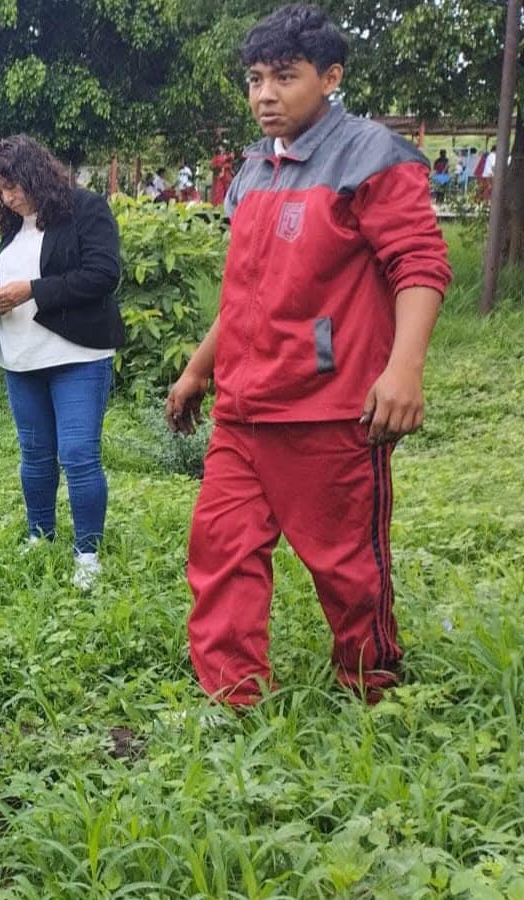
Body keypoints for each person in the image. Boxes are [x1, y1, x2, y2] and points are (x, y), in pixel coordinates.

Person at [165, 3, 451, 707]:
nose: (265, 94)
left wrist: (403, 368)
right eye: (255, 79)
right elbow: (247, 294)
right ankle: (232, 698)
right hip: (242, 408)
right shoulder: (255, 169)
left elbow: (419, 265)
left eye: (284, 78)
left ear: (330, 78)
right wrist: (201, 368)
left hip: (329, 412)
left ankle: (372, 686)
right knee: (221, 551)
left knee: (347, 567)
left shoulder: (373, 158)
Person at [0, 136, 125, 591]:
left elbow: (103, 273)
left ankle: (87, 554)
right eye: (0, 192)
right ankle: (40, 535)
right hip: (22, 358)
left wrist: (33, 289)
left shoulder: (85, 208)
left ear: (36, 174)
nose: (9, 198)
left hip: (77, 354)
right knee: (34, 456)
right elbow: (3, 282)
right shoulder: (16, 227)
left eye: (13, 187)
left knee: (77, 454)